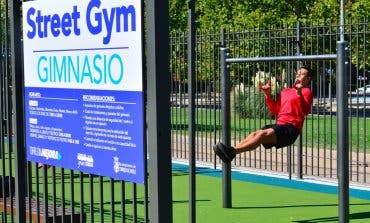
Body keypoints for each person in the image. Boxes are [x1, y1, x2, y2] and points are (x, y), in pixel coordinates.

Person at [214, 66, 314, 163]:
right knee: (255, 134)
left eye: (301, 74)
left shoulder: (307, 92)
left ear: (308, 79)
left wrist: (299, 93)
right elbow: (275, 110)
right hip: (279, 125)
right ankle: (232, 151)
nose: (298, 75)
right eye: (297, 73)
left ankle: (232, 152)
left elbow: (305, 111)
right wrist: (267, 94)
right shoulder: (286, 91)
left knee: (262, 134)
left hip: (291, 128)